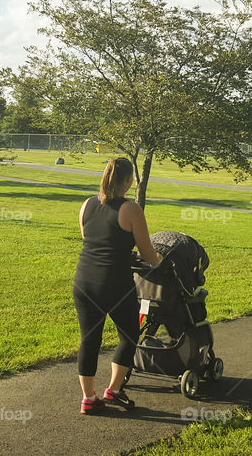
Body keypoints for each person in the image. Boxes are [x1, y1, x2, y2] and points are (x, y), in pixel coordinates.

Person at [73, 157, 163, 415]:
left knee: (89, 339)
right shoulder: (131, 209)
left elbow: (88, 237)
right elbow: (148, 254)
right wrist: (160, 260)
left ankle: (88, 398)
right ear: (128, 180)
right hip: (114, 283)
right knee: (129, 334)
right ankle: (113, 390)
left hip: (83, 281)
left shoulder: (87, 204)